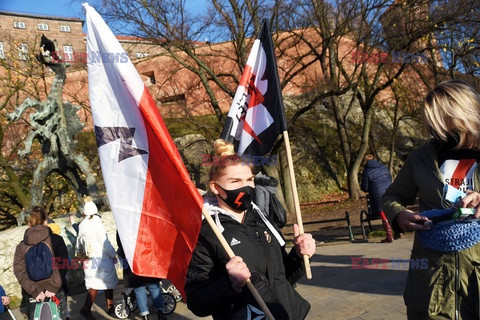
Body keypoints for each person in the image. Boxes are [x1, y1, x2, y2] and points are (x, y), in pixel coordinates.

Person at [185, 139, 316, 319]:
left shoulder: (262, 220)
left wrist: (300, 256)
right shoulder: (206, 233)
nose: (245, 187)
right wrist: (230, 284)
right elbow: (197, 302)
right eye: (235, 181)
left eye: (249, 180)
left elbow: (281, 278)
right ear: (215, 188)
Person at [382, 79, 480, 319]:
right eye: (431, 121)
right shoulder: (421, 158)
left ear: (463, 114)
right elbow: (391, 196)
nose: (434, 129)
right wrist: (399, 215)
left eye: (441, 120)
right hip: (432, 285)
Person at [13, 206, 69, 320]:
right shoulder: (56, 240)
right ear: (46, 221)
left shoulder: (21, 246)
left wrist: (35, 291)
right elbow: (62, 264)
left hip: (33, 293)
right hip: (55, 289)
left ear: (29, 223)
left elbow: (19, 271)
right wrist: (53, 287)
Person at [77, 197, 118, 319]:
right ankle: (108, 308)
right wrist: (113, 254)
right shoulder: (97, 224)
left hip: (88, 258)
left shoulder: (82, 225)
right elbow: (104, 242)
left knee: (93, 285)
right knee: (107, 283)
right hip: (101, 259)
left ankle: (88, 308)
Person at [116, 233, 167, 320]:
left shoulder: (123, 225)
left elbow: (121, 245)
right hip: (148, 259)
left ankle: (145, 316)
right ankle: (160, 312)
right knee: (154, 288)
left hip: (134, 262)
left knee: (139, 291)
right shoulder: (144, 220)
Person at [360, 154, 399, 242]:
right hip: (389, 193)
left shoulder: (366, 172)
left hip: (378, 196)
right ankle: (398, 231)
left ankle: (389, 236)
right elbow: (390, 178)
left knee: (383, 214)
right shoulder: (383, 167)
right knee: (392, 211)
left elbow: (364, 188)